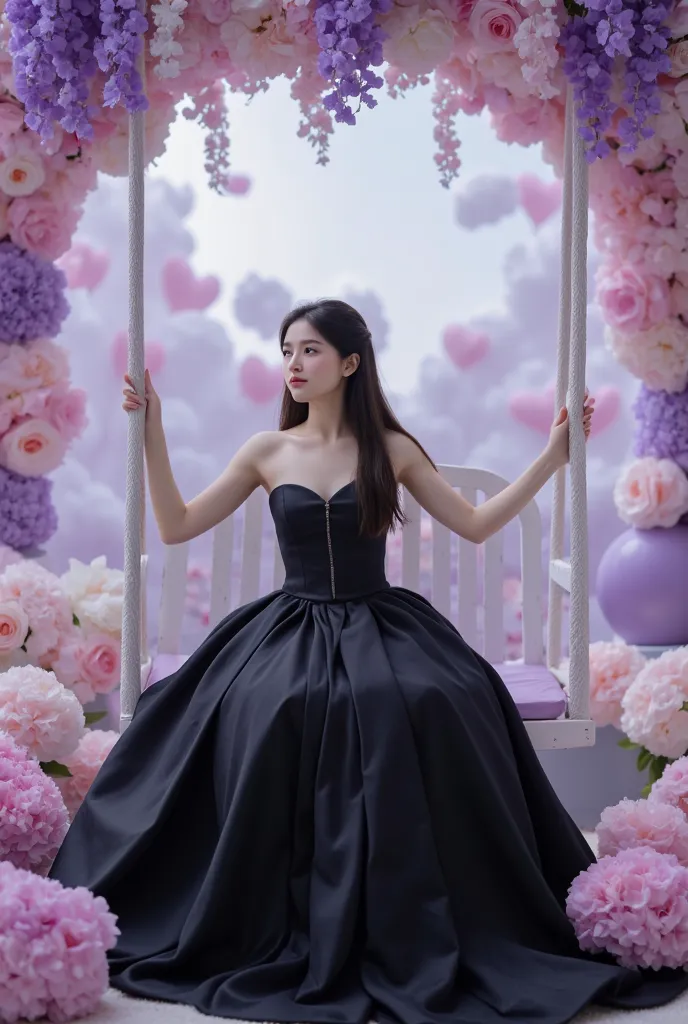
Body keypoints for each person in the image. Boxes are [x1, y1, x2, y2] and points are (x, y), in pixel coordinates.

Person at [50, 300, 688, 1023]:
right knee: (267, 704)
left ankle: (427, 901)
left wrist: (552, 456)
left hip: (379, 618)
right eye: (287, 349)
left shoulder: (390, 446)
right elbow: (176, 524)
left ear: (350, 363)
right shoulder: (267, 450)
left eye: (311, 350)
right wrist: (152, 433)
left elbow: (475, 525)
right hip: (289, 622)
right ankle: (254, 901)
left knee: (430, 698)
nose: (293, 363)